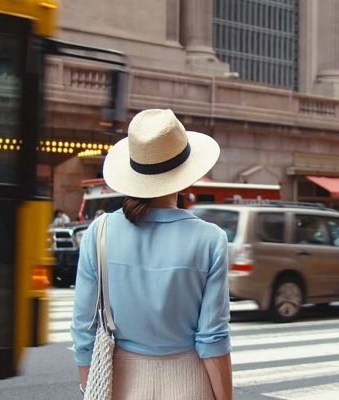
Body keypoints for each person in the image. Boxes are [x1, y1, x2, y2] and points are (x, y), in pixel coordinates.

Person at [72, 109, 232, 399]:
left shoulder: (99, 232)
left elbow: (84, 327)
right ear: (185, 178)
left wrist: (90, 387)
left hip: (121, 381)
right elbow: (213, 337)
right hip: (190, 381)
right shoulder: (211, 239)